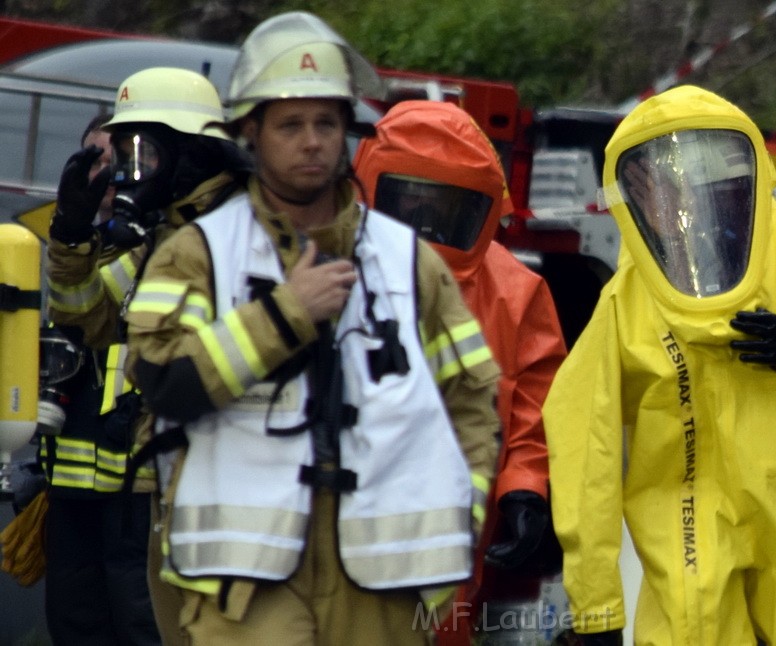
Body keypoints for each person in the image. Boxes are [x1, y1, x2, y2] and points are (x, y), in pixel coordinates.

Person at [123, 12, 500, 646]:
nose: (312, 142)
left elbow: (472, 402)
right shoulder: (196, 255)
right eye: (290, 125)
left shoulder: (409, 262)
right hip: (244, 584)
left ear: (348, 134)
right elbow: (164, 384)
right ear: (252, 133)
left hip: (382, 581)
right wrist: (284, 314)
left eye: (326, 123)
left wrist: (460, 519)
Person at [542, 85, 776, 645]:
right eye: (676, 194)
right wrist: (596, 609)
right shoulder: (629, 302)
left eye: (712, 192)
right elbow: (582, 447)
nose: (696, 211)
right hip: (689, 519)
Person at [44, 67, 249, 646]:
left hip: (180, 484)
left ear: (187, 152)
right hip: (125, 476)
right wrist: (73, 232)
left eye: (141, 151)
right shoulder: (158, 238)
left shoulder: (233, 235)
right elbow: (87, 316)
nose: (130, 169)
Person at [353, 100, 567, 642]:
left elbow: (536, 415)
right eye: (411, 200)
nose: (424, 221)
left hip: (452, 540)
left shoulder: (515, 291)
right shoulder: (323, 266)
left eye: (444, 206)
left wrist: (525, 489)